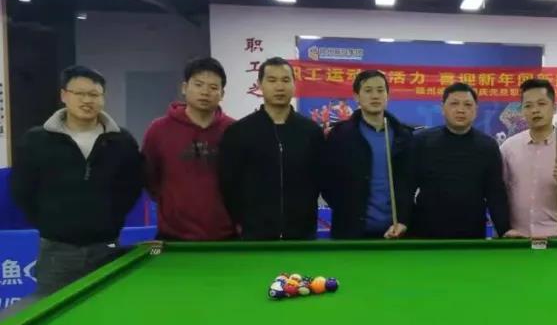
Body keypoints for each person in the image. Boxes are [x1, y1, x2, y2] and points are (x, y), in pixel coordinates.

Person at [10, 65, 142, 295]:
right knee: (54, 312)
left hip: (106, 248)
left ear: (103, 98)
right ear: (64, 95)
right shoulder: (36, 140)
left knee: (107, 309)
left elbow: (131, 188)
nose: (87, 100)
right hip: (56, 252)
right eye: (79, 93)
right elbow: (22, 190)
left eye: (94, 94)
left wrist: (109, 220)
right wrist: (50, 223)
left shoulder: (121, 141)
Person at [218, 56, 324, 240]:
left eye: (285, 80)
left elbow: (320, 179)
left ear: (294, 84)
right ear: (260, 84)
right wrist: (242, 221)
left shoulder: (311, 131)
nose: (279, 87)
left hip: (302, 234)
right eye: (272, 80)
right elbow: (229, 184)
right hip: (255, 234)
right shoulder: (239, 131)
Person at [142, 57, 236, 241]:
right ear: (184, 88)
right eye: (198, 85)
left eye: (213, 87)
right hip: (172, 237)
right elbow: (149, 177)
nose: (205, 92)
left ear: (222, 93)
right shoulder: (159, 129)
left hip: (228, 237)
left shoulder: (234, 130)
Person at [410, 82, 511, 238]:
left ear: (476, 110)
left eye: (467, 105)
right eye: (454, 104)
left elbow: (495, 193)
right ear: (443, 108)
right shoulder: (422, 141)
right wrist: (402, 222)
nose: (461, 110)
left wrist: (505, 230)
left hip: (471, 232)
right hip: (426, 231)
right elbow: (406, 186)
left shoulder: (488, 146)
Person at [321, 70, 413, 239]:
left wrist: (403, 219)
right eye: (368, 90)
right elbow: (327, 181)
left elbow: (409, 183)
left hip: (395, 232)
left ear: (388, 95)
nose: (375, 96)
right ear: (356, 97)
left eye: (380, 90)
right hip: (350, 233)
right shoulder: (341, 135)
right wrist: (346, 211)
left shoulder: (403, 136)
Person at [501, 78, 557, 238]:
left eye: (541, 104)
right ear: (522, 110)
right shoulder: (508, 148)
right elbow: (498, 193)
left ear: (554, 107)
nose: (535, 110)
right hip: (515, 238)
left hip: (552, 239)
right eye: (528, 105)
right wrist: (503, 229)